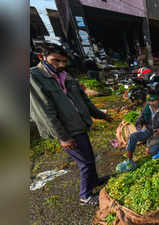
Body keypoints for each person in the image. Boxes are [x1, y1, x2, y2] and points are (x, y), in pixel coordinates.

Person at [30, 44, 113, 206]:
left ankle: (94, 181)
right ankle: (85, 196)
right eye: (56, 61)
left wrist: (101, 115)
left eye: (64, 61)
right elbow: (45, 112)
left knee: (89, 157)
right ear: (42, 57)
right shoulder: (34, 77)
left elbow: (84, 100)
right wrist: (63, 137)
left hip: (79, 125)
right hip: (67, 130)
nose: (61, 65)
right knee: (85, 162)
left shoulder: (65, 74)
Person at [126, 94, 159, 163]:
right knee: (133, 136)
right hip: (148, 131)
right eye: (149, 101)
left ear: (158, 101)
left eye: (153, 101)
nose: (151, 103)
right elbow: (140, 119)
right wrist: (139, 124)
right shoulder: (146, 109)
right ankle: (129, 161)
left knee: (151, 152)